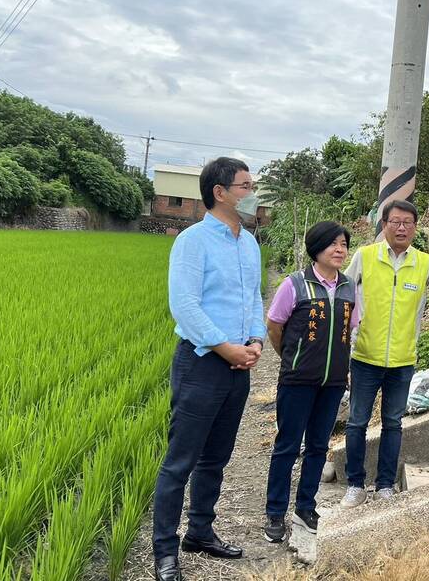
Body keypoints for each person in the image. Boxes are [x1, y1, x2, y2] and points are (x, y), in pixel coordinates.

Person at [152, 157, 265, 581]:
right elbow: (184, 305)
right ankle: (164, 552)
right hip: (201, 363)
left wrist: (253, 341)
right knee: (180, 461)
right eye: (245, 185)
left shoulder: (248, 243)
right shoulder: (193, 241)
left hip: (238, 364)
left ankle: (199, 531)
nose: (252, 192)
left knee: (216, 458)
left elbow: (253, 296)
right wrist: (225, 347)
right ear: (220, 192)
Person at [339, 199, 429, 508]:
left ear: (415, 227)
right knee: (357, 422)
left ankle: (384, 485)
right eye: (395, 222)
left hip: (402, 360)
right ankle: (355, 485)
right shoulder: (365, 256)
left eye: (408, 222)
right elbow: (341, 290)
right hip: (365, 356)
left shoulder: (423, 262)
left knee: (393, 423)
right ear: (384, 225)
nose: (401, 227)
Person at [262, 221, 358, 543]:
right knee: (288, 445)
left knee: (318, 446)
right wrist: (293, 357)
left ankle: (306, 506)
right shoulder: (294, 285)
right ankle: (275, 512)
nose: (340, 250)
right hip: (297, 380)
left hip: (332, 383)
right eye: (333, 244)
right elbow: (275, 326)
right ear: (316, 248)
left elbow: (350, 329)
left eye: (343, 244)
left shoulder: (347, 287)